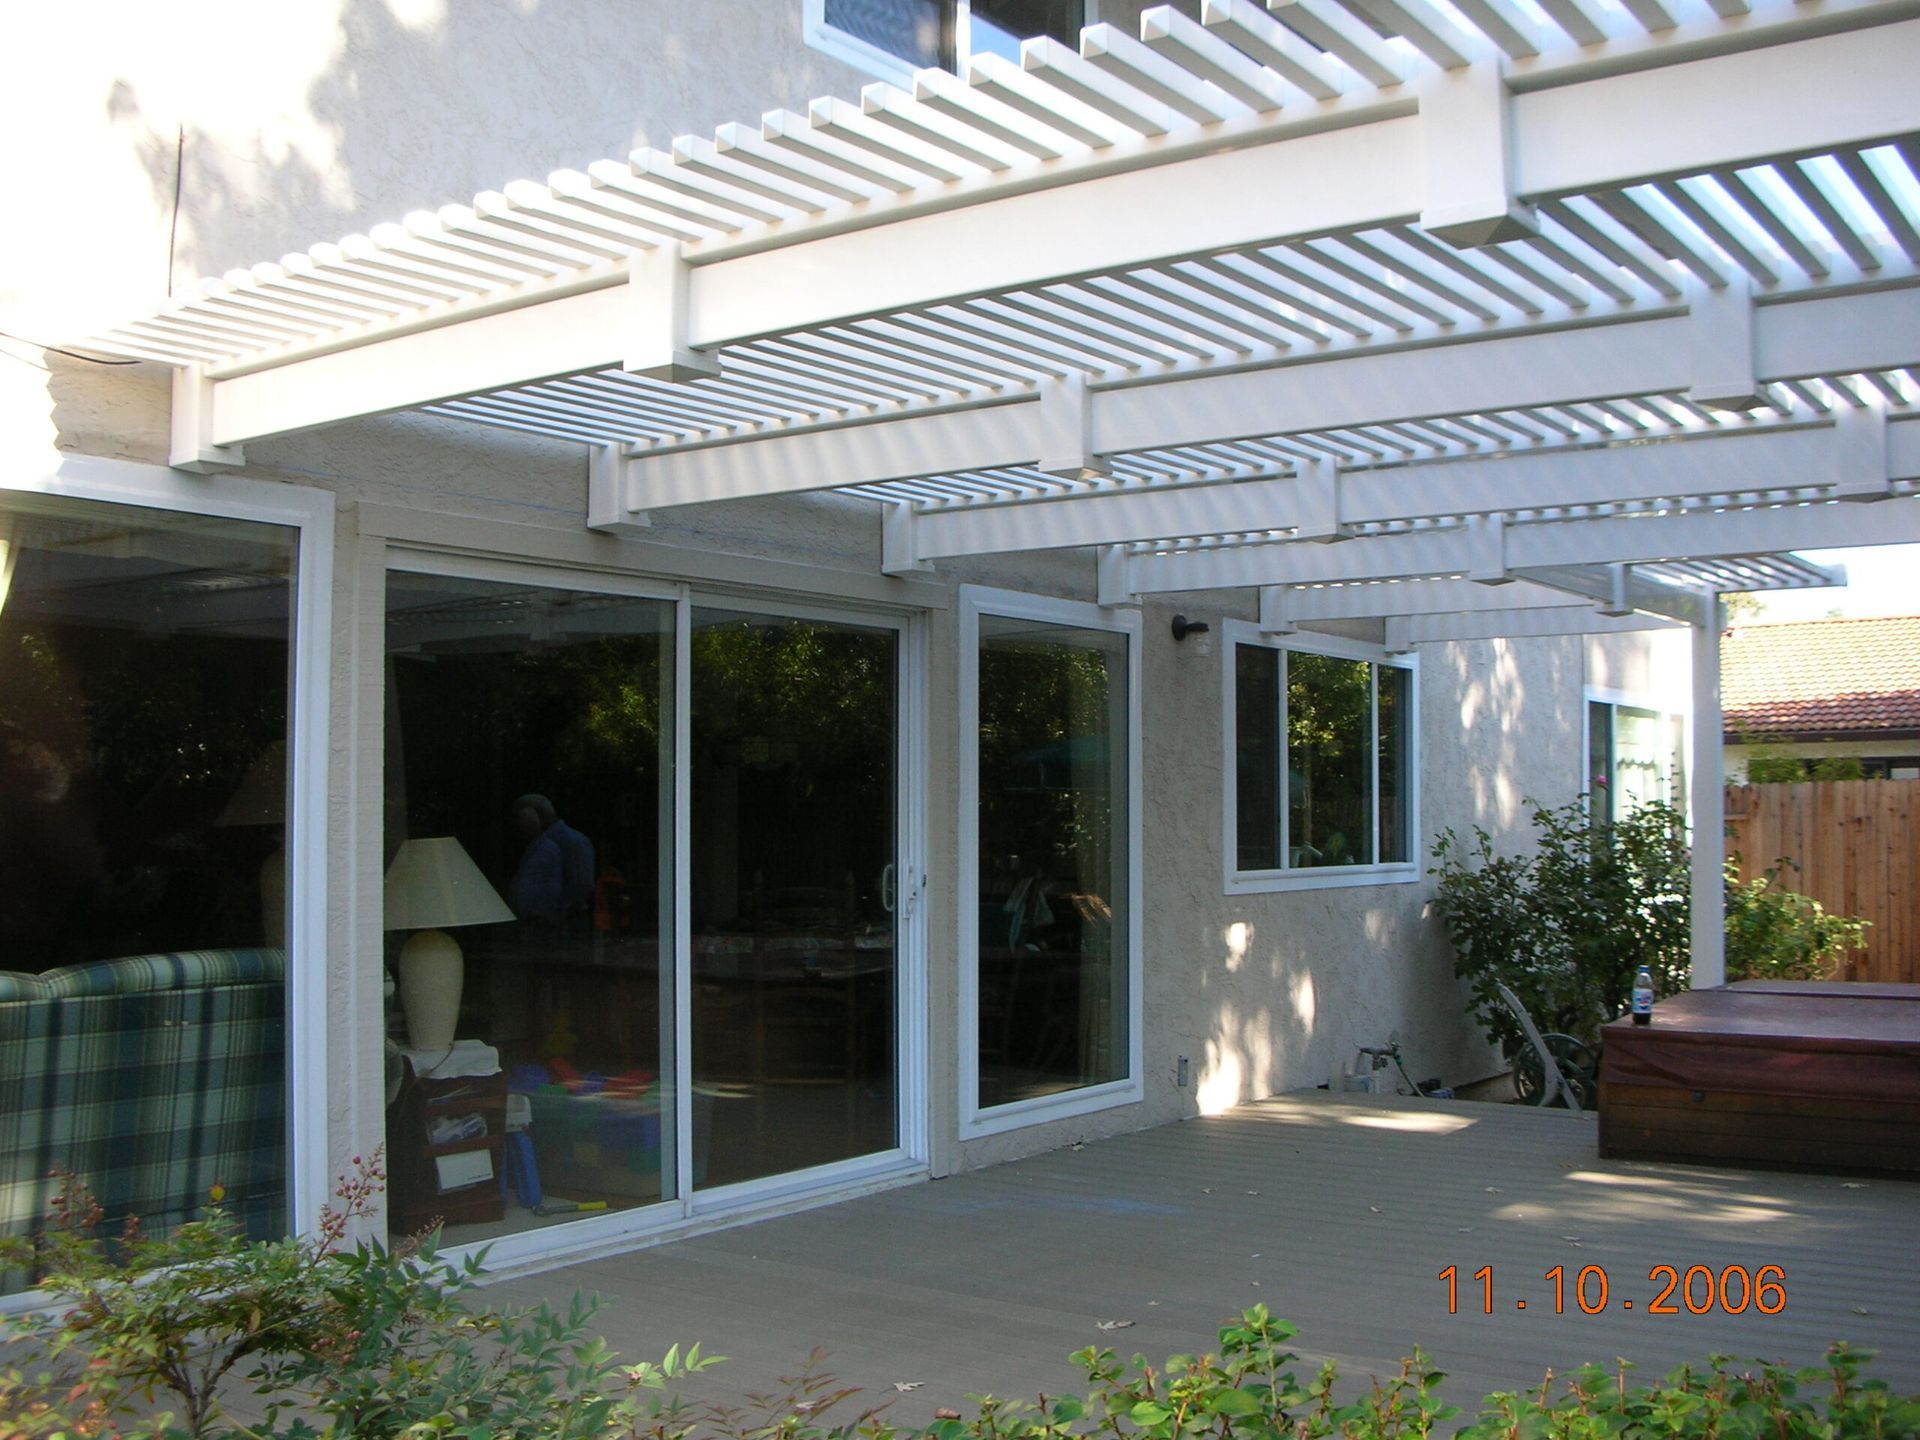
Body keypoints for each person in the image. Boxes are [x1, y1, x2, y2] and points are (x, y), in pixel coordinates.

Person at [507, 793, 595, 935]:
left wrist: (555, 915)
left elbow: (581, 885)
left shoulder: (571, 841)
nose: (518, 824)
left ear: (537, 814)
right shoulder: (540, 842)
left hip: (562, 927)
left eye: (521, 817)